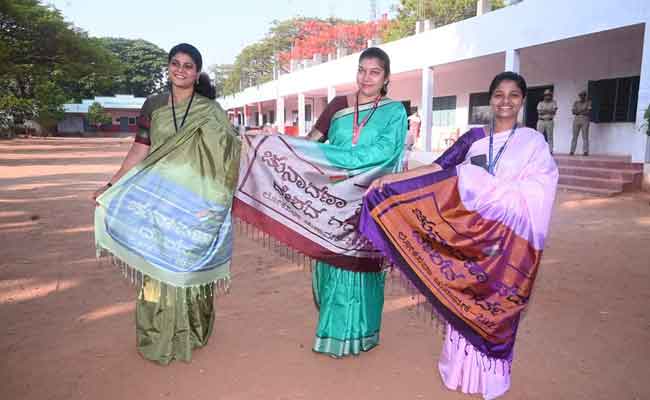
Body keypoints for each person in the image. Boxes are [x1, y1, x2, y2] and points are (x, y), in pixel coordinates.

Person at [363, 71, 558, 399]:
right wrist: (391, 182)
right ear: (490, 98)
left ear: (523, 100)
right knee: (464, 295)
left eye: (513, 95)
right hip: (470, 234)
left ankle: (490, 378)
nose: (505, 101)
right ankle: (460, 371)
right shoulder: (474, 138)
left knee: (496, 304)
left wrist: (483, 184)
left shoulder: (533, 143)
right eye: (499, 94)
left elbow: (542, 188)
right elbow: (441, 168)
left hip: (509, 240)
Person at [92, 43, 240, 365]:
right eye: (176, 63)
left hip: (194, 201)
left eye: (188, 65)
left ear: (197, 72)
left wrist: (217, 204)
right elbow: (139, 150)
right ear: (168, 67)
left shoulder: (211, 111)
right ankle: (157, 334)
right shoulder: (153, 105)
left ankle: (192, 332)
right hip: (155, 198)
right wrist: (111, 185)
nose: (181, 70)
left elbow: (227, 158)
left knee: (187, 267)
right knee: (156, 268)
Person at [304, 47, 407, 358]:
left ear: (386, 78)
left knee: (360, 266)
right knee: (331, 263)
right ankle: (336, 326)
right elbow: (310, 143)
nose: (366, 77)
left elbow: (386, 152)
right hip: (333, 199)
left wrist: (340, 160)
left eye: (374, 72)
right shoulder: (338, 105)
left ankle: (354, 334)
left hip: (367, 199)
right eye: (362, 70)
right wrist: (280, 145)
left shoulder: (395, 112)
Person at [571, 90, 591, 156]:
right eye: (581, 95)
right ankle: (572, 151)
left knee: (585, 136)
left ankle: (585, 151)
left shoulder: (588, 102)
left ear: (585, 96)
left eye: (583, 95)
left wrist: (579, 111)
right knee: (574, 136)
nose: (582, 96)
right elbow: (573, 112)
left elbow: (588, 112)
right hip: (576, 120)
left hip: (585, 119)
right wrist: (582, 111)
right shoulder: (576, 103)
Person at [536, 89, 557, 153]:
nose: (547, 96)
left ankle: (550, 151)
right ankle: (538, 151)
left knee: (550, 137)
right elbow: (540, 112)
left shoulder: (553, 102)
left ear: (551, 95)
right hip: (541, 121)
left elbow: (554, 111)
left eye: (549, 95)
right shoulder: (540, 103)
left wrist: (545, 110)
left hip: (549, 121)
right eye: (546, 95)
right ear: (544, 96)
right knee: (539, 136)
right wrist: (549, 110)